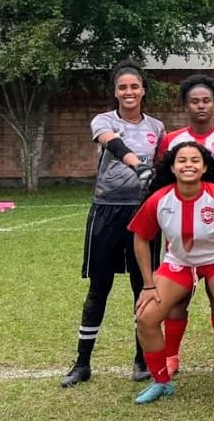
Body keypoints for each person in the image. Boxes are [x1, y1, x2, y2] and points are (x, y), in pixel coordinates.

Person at [61, 60, 164, 388]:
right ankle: (82, 362)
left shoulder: (157, 127)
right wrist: (139, 167)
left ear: (143, 90)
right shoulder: (103, 121)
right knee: (99, 288)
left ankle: (141, 360)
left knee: (143, 287)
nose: (129, 92)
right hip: (106, 211)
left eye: (135, 86)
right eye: (123, 87)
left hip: (141, 214)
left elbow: (161, 167)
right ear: (115, 92)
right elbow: (114, 144)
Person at [127, 142, 214, 405]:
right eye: (182, 160)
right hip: (180, 262)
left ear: (205, 166)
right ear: (172, 167)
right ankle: (161, 381)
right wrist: (149, 284)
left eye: (195, 160)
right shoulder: (160, 198)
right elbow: (140, 238)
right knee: (145, 318)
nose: (188, 165)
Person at [158, 74, 214, 378]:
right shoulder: (171, 140)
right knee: (177, 299)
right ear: (186, 105)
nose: (200, 106)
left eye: (206, 101)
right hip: (180, 236)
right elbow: (163, 181)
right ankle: (170, 356)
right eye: (194, 101)